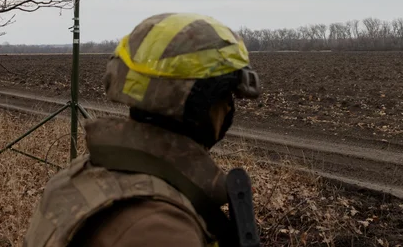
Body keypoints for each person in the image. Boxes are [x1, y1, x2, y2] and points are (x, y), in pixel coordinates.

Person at [23, 12, 262, 247]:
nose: (229, 106)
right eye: (227, 96)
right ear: (203, 102)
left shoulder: (81, 175)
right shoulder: (161, 229)